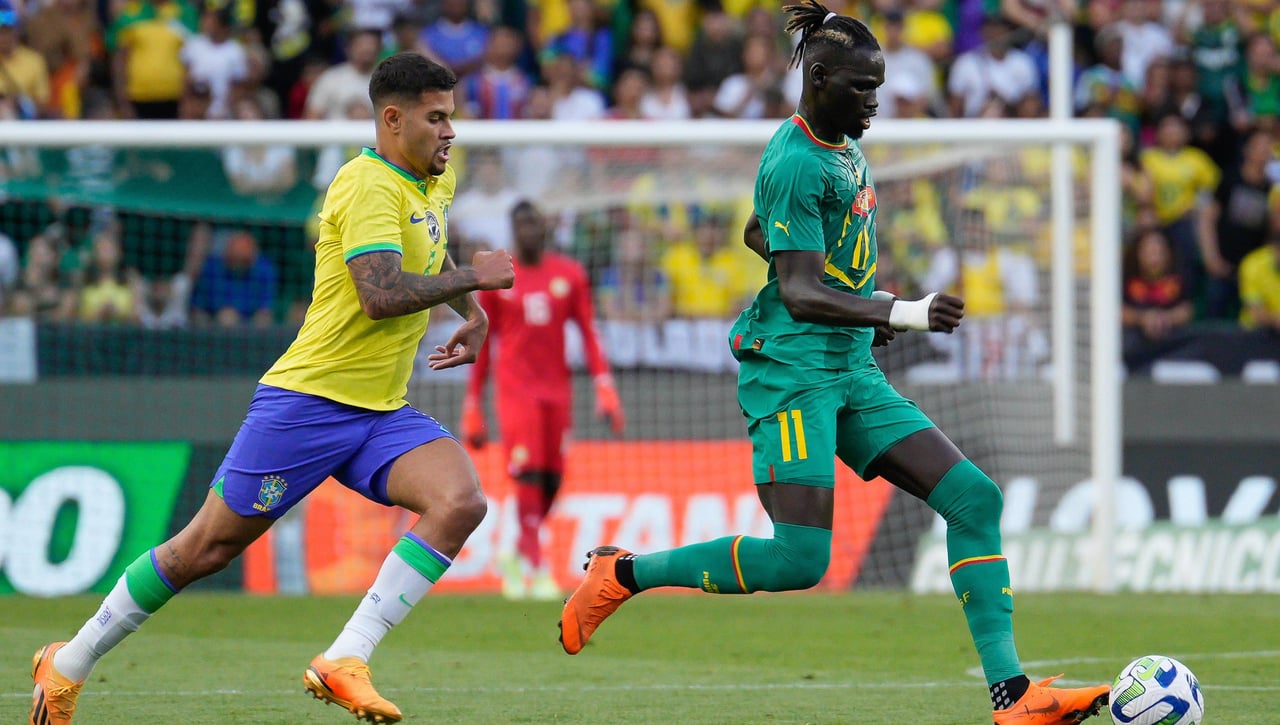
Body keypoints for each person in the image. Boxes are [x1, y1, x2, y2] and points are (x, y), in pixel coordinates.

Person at [556, 4, 1112, 724]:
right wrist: (896, 310)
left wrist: (850, 306)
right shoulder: (794, 157)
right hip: (791, 372)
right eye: (862, 88)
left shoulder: (842, 142)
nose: (874, 102)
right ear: (818, 80)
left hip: (849, 365)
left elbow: (765, 230)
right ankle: (622, 572)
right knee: (799, 560)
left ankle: (1014, 695)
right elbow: (795, 286)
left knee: (974, 498)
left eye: (877, 87)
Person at [29, 52, 515, 725]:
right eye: (437, 119)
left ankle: (345, 657)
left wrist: (474, 313)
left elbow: (429, 256)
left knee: (460, 499)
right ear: (393, 119)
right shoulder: (363, 183)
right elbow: (380, 294)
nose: (450, 133)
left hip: (379, 410)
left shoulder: (435, 181)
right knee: (204, 548)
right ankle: (68, 661)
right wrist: (473, 284)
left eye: (451, 118)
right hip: (309, 403)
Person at [460, 199, 624, 600]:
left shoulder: (569, 274)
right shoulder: (501, 281)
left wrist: (605, 388)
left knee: (553, 479)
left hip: (557, 393)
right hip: (516, 393)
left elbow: (589, 333)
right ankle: (537, 564)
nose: (531, 233)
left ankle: (516, 554)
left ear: (546, 230)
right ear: (515, 232)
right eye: (523, 227)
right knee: (529, 474)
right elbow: (484, 340)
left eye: (537, 225)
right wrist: (473, 406)